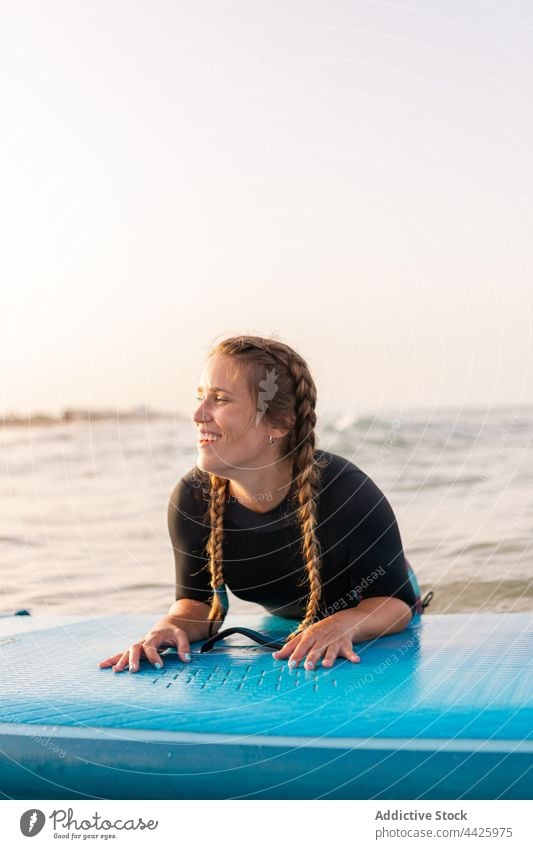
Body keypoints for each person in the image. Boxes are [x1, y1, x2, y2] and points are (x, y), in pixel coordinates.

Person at [99, 334, 427, 675]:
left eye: (220, 399)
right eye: (200, 397)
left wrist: (346, 624)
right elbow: (199, 606)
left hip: (377, 609)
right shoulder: (193, 499)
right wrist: (170, 626)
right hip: (292, 619)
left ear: (279, 423)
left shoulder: (348, 493)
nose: (198, 414)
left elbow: (395, 603)